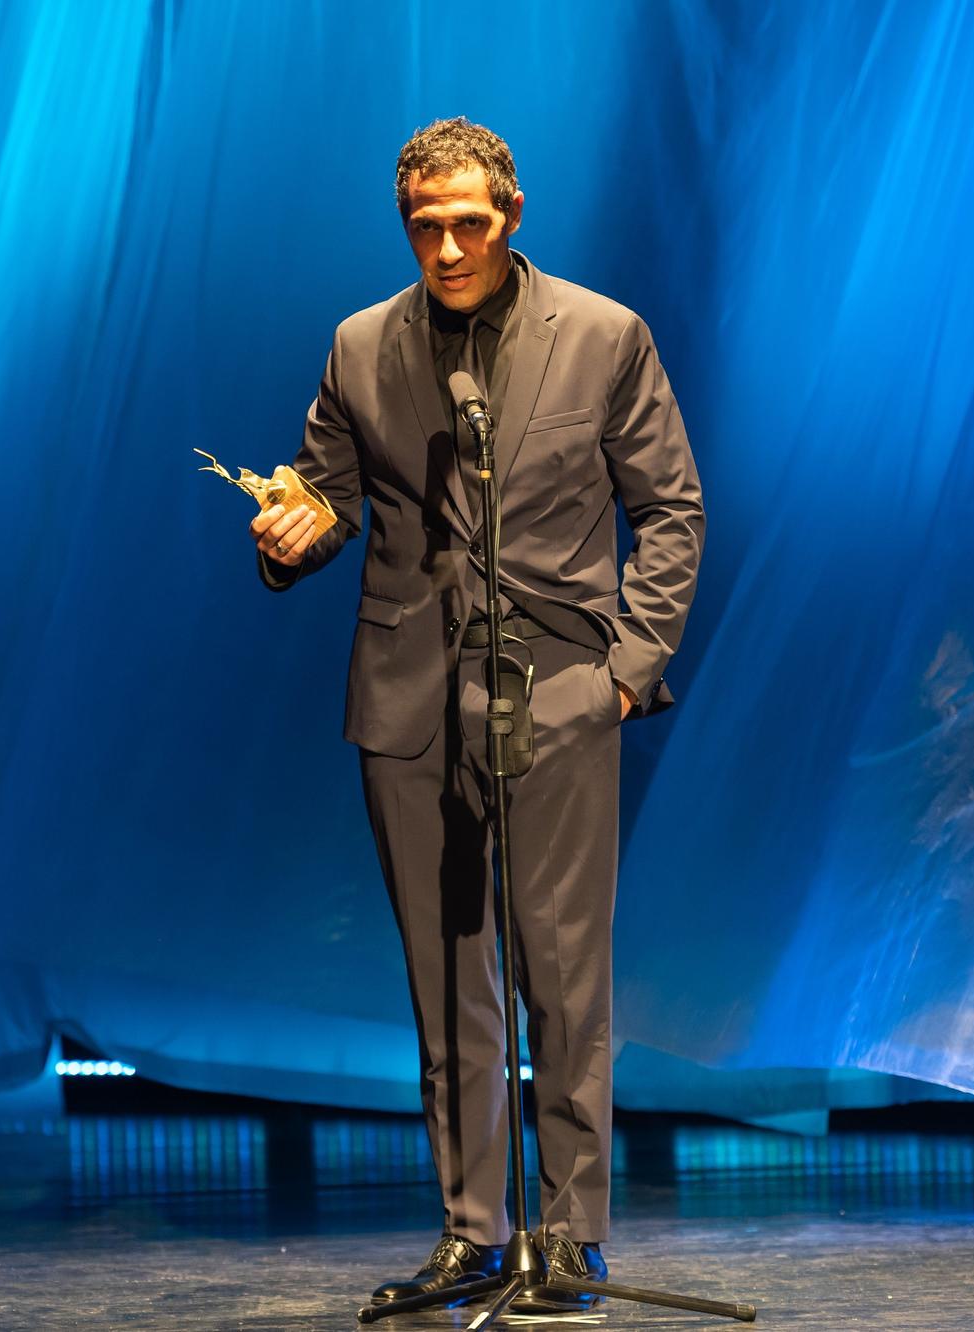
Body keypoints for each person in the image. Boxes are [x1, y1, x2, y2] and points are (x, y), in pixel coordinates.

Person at [250, 117, 703, 1312]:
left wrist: (623, 667)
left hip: (557, 687)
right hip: (407, 698)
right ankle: (470, 1229)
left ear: (510, 217)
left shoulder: (603, 336)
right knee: (444, 977)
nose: (445, 248)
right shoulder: (360, 348)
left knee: (560, 971)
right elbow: (327, 493)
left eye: (467, 224)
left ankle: (568, 1234)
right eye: (424, 228)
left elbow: (671, 511)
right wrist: (293, 533)